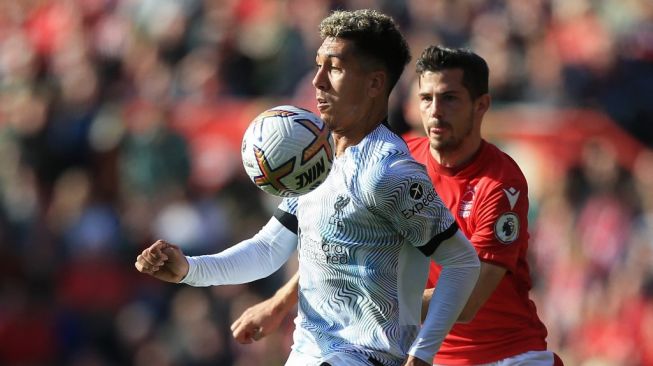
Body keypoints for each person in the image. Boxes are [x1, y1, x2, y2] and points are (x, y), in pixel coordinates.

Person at [135, 11, 480, 366]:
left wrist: (422, 354)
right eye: (318, 66)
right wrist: (189, 269)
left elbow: (462, 262)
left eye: (335, 68)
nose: (317, 81)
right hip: (309, 354)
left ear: (375, 84)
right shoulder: (314, 159)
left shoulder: (389, 173)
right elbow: (268, 249)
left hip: (363, 357)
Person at [232, 45, 563, 365]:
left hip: (507, 356)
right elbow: (338, 248)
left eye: (449, 98)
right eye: (426, 98)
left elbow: (467, 302)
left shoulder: (499, 182)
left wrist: (362, 301)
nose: (436, 110)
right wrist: (280, 303)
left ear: (481, 105)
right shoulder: (392, 164)